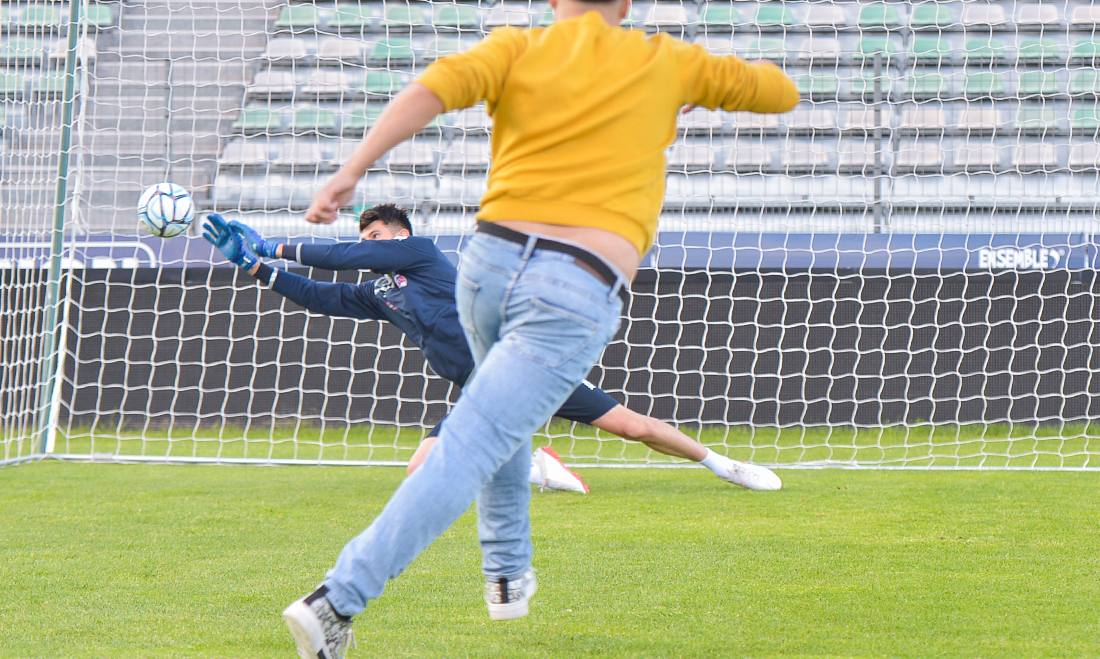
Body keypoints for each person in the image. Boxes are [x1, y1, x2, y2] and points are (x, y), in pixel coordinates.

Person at [279, 0, 798, 659]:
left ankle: (507, 573)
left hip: (487, 271)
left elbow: (426, 91)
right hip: (574, 285)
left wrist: (346, 176)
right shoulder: (662, 60)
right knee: (470, 445)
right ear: (624, 4)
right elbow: (779, 92)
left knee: (500, 427)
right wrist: (690, 74)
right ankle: (338, 599)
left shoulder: (517, 48)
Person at [201, 201, 782, 493]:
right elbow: (322, 296)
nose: (369, 246)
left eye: (376, 236)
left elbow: (344, 259)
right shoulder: (382, 292)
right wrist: (255, 266)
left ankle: (726, 467)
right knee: (420, 468)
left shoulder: (421, 253)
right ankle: (533, 465)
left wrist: (275, 244)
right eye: (365, 239)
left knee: (634, 428)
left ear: (399, 235)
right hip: (483, 389)